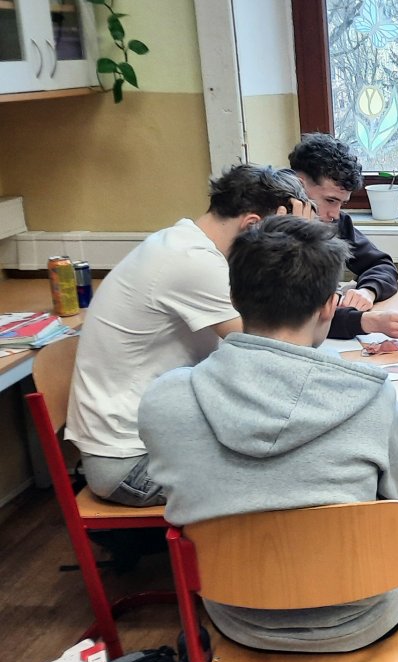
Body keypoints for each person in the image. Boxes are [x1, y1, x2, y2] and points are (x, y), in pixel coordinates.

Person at [139, 215, 398, 662]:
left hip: (238, 616)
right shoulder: (370, 395)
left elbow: (181, 493)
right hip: (362, 617)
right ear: (328, 307)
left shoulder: (164, 400)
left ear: (235, 297)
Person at [66, 164, 312, 508]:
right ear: (252, 225)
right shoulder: (193, 262)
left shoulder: (184, 243)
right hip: (130, 464)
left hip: (150, 443)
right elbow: (273, 351)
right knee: (308, 475)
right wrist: (301, 250)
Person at [289, 133, 398, 340]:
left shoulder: (334, 222)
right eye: (330, 200)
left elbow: (382, 265)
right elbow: (290, 317)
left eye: (342, 203)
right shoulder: (265, 233)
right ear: (299, 185)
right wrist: (368, 321)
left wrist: (368, 291)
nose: (335, 214)